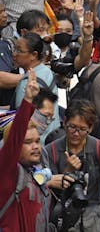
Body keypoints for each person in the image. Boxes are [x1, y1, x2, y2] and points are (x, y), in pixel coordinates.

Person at [44, 100, 100, 231]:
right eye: (72, 127)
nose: (76, 133)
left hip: (92, 216)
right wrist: (67, 172)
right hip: (61, 214)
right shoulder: (50, 150)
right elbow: (42, 184)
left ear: (90, 128)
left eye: (82, 129)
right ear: (64, 122)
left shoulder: (98, 147)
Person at [0, 69, 52, 231]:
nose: (35, 146)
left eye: (37, 141)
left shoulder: (35, 170)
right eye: (28, 142)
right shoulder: (6, 171)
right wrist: (28, 100)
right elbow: (15, 137)